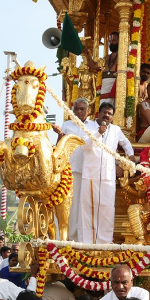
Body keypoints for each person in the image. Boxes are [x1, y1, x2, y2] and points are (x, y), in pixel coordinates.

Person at [75, 101, 134, 244]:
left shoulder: (115, 130)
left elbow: (125, 143)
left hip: (108, 175)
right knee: (88, 209)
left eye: (110, 114)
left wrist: (131, 157)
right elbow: (84, 146)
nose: (107, 116)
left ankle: (105, 242)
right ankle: (87, 243)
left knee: (107, 209)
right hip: (90, 174)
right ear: (98, 114)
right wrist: (99, 132)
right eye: (104, 113)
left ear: (112, 117)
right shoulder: (88, 126)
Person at [59, 98, 91, 241]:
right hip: (71, 170)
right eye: (76, 109)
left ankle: (85, 239)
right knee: (71, 205)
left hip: (90, 170)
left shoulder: (94, 126)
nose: (79, 112)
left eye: (82, 109)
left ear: (88, 111)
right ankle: (69, 238)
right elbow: (59, 146)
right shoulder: (66, 125)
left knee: (86, 206)